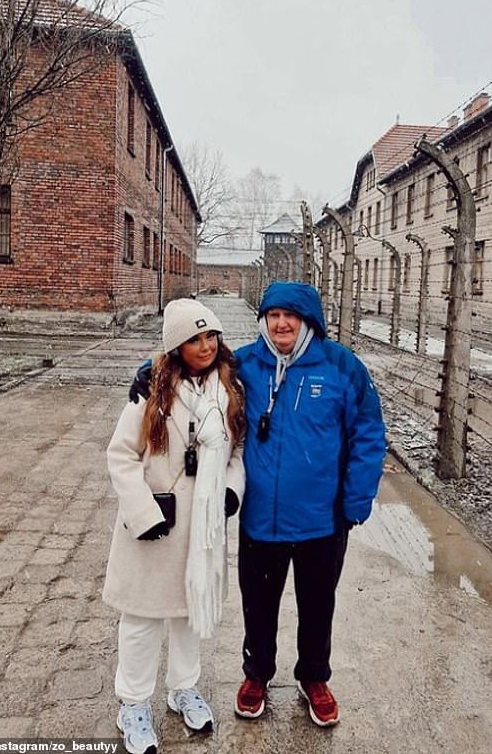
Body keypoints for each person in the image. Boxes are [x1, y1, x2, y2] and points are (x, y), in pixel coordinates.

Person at [129, 282, 385, 728]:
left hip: (323, 519)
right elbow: (190, 362)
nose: (281, 324)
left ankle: (314, 678)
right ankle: (257, 675)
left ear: (309, 320)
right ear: (264, 319)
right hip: (261, 518)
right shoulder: (243, 363)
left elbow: (368, 433)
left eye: (291, 316)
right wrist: (149, 370)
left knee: (318, 603)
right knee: (259, 603)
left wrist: (356, 497)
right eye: (273, 315)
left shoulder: (341, 367)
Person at [105, 298, 245, 754]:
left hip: (200, 531)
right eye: (193, 339)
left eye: (211, 336)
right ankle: (134, 702)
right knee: (143, 619)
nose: (205, 346)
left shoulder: (229, 390)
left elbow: (236, 453)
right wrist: (142, 513)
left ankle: (183, 688)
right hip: (156, 526)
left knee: (190, 614)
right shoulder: (151, 392)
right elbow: (121, 455)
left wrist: (230, 489)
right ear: (176, 345)